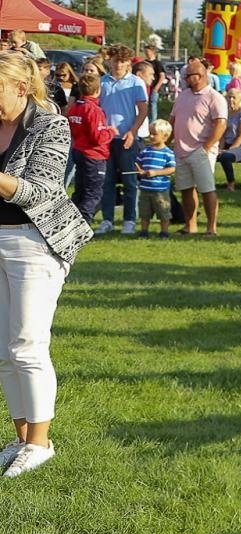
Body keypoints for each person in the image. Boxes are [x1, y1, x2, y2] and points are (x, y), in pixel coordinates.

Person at [0, 50, 94, 478]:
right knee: (3, 350)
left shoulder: (51, 124)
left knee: (27, 343)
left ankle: (40, 443)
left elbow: (38, 190)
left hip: (35, 241)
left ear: (22, 88)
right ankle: (20, 439)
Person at [170, 59, 227, 237]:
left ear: (201, 76)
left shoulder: (214, 97)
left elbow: (221, 123)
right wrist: (167, 141)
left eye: (189, 76)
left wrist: (207, 147)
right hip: (180, 150)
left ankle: (211, 228)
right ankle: (190, 225)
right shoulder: (183, 95)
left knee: (206, 189)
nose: (186, 79)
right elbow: (173, 120)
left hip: (201, 150)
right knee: (186, 189)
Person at [96, 44, 149, 235]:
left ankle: (129, 220)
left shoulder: (136, 82)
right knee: (107, 180)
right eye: (115, 60)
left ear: (128, 63)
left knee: (129, 181)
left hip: (127, 137)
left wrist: (133, 132)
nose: (118, 64)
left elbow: (143, 110)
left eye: (122, 61)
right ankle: (107, 219)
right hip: (106, 139)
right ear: (109, 60)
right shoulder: (102, 82)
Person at [65, 71, 113, 223]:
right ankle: (84, 223)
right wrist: (110, 131)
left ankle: (70, 220)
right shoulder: (93, 110)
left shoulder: (74, 107)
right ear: (98, 90)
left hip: (79, 150)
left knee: (80, 190)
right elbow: (97, 137)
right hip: (94, 155)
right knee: (93, 192)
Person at [133, 120, 176, 238]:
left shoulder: (168, 153)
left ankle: (164, 231)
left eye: (154, 134)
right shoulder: (145, 151)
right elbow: (138, 164)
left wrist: (156, 172)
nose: (151, 136)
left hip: (160, 190)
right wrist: (139, 170)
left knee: (163, 211)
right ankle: (144, 231)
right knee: (144, 212)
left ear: (165, 136)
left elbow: (172, 169)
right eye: (150, 133)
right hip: (145, 188)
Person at [215, 89, 241, 192]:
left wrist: (229, 149)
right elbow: (222, 135)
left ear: (240, 100)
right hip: (228, 143)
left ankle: (231, 184)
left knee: (226, 157)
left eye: (234, 97)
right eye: (229, 97)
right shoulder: (226, 113)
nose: (231, 99)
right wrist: (219, 148)